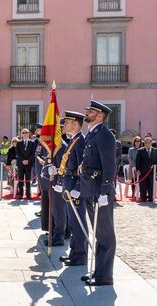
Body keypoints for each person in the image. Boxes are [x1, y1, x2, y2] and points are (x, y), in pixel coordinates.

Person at [79, 100, 116, 286]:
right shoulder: (92, 134)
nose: (87, 113)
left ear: (100, 116)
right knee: (98, 233)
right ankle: (99, 271)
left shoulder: (104, 135)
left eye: (91, 111)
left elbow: (110, 166)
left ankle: (105, 275)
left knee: (105, 233)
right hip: (91, 188)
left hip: (100, 189)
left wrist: (106, 191)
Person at [57, 111, 89, 266]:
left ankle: (80, 255)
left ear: (76, 124)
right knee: (73, 221)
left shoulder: (80, 141)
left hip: (75, 184)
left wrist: (77, 187)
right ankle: (74, 252)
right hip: (69, 182)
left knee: (78, 221)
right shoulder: (73, 140)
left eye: (67, 122)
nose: (64, 125)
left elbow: (83, 167)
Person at [135, 136, 157, 202]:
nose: (147, 144)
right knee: (143, 185)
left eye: (148, 142)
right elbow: (137, 161)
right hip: (143, 171)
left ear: (151, 143)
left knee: (151, 184)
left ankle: (151, 197)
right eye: (145, 142)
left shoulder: (155, 151)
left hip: (153, 171)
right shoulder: (140, 150)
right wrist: (138, 170)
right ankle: (143, 197)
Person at [16, 128, 36, 200]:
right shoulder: (18, 142)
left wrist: (27, 160)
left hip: (29, 163)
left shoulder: (32, 142)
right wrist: (22, 160)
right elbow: (17, 153)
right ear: (21, 134)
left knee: (28, 180)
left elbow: (33, 153)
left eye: (26, 132)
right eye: (23, 132)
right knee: (20, 179)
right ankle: (20, 194)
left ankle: (28, 194)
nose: (25, 134)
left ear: (29, 134)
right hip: (20, 164)